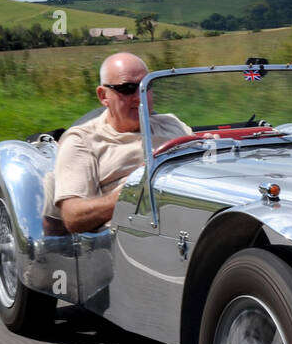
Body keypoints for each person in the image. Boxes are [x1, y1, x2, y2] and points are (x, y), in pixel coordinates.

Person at [50, 52, 190, 233]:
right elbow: (73, 216)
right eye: (127, 89)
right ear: (103, 96)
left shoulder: (171, 123)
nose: (139, 97)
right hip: (136, 233)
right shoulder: (83, 141)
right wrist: (130, 194)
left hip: (187, 215)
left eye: (146, 86)